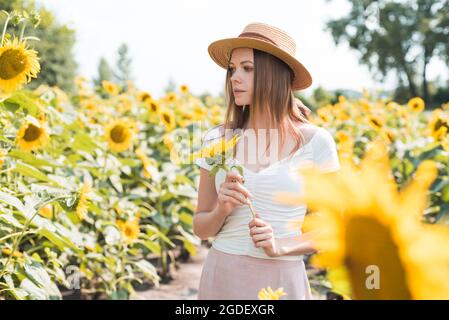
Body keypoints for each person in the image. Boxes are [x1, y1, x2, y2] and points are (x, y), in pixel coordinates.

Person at [193, 22, 341, 300]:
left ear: (274, 74)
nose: (235, 77)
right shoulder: (216, 139)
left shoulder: (316, 143)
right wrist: (221, 210)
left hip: (282, 280)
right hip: (222, 276)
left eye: (247, 69)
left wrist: (280, 245)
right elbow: (201, 227)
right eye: (232, 69)